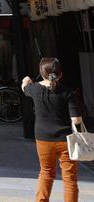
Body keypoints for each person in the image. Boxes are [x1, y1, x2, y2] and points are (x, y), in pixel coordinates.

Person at [23, 58, 83, 202]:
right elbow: (76, 119)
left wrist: (27, 80)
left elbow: (24, 86)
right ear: (60, 74)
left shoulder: (34, 89)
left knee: (46, 173)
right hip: (66, 140)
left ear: (41, 73)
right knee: (69, 178)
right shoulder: (66, 92)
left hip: (43, 138)